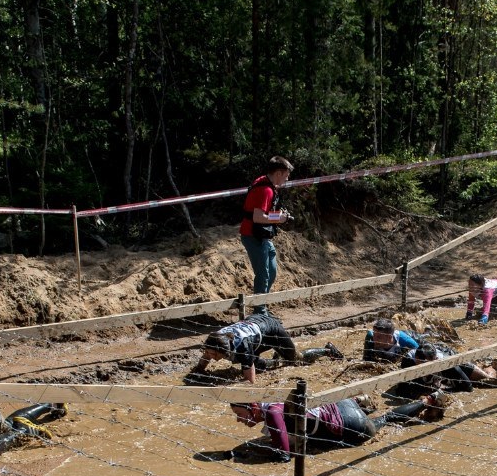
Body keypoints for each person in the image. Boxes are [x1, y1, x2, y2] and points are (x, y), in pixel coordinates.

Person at [229, 392, 449, 459]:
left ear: (253, 407)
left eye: (240, 414)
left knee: (386, 419)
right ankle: (360, 402)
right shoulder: (271, 398)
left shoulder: (272, 412)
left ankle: (427, 400)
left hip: (351, 424)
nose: (239, 420)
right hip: (339, 404)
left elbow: (284, 454)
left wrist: (253, 456)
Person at [188, 312, 342, 384]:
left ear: (225, 351)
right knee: (258, 366)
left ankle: (328, 350)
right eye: (209, 353)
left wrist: (230, 388)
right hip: (255, 324)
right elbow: (206, 355)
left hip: (272, 330)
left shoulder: (242, 348)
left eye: (214, 355)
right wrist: (198, 371)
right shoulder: (216, 339)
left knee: (295, 360)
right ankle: (276, 359)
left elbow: (250, 381)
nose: (211, 357)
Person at [239, 156, 295, 312]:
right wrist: (279, 218)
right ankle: (260, 311)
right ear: (278, 173)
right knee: (263, 274)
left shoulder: (266, 184)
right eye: (286, 175)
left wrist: (278, 216)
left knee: (272, 272)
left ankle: (260, 305)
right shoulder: (266, 190)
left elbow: (262, 214)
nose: (287, 179)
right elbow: (258, 217)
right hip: (253, 236)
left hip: (262, 236)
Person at [394, 341, 497, 399]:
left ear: (435, 360)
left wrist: (447, 392)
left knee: (487, 379)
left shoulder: (446, 362)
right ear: (416, 359)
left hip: (451, 356)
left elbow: (468, 387)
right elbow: (402, 390)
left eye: (428, 366)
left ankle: (490, 367)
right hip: (433, 368)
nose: (424, 369)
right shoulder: (408, 362)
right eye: (421, 365)